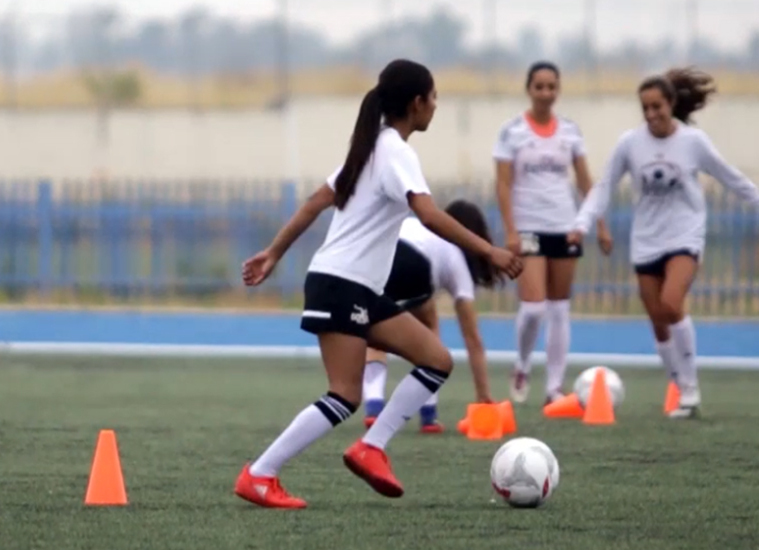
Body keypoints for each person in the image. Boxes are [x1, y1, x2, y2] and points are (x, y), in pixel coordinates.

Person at [234, 59, 523, 509]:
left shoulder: (368, 148)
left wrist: (275, 253)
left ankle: (372, 447)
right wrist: (489, 251)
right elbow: (427, 214)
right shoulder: (395, 152)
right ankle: (260, 474)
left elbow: (315, 202)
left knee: (436, 360)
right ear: (416, 102)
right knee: (345, 394)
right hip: (342, 284)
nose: (435, 107)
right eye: (434, 99)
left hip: (357, 288)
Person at [569, 67, 759, 419]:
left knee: (671, 304)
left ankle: (690, 390)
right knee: (657, 319)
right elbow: (604, 186)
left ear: (671, 104)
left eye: (658, 106)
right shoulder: (630, 143)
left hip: (685, 234)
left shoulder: (692, 142)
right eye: (646, 109)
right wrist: (582, 224)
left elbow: (730, 177)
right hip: (646, 240)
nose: (652, 114)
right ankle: (679, 382)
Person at [494, 61, 614, 407]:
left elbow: (585, 181)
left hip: (565, 226)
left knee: (559, 308)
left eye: (551, 87)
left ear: (558, 90)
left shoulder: (571, 132)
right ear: (529, 89)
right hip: (528, 227)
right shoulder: (512, 131)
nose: (546, 93)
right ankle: (522, 364)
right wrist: (510, 230)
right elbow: (503, 184)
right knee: (533, 308)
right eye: (539, 86)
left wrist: (598, 224)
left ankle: (554, 388)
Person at [362, 202, 503, 434]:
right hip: (416, 265)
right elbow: (472, 339)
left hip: (379, 254)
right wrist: (483, 395)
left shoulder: (414, 224)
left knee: (376, 329)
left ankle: (374, 407)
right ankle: (428, 414)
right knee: (429, 325)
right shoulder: (456, 256)